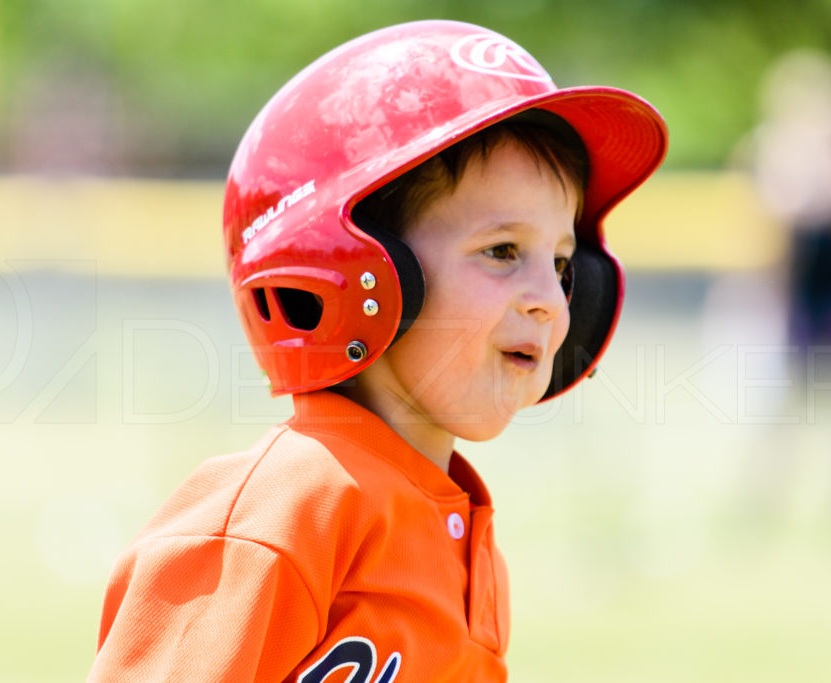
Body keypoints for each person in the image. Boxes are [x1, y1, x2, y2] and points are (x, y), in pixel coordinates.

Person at [88, 19, 666, 681]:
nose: (551, 299)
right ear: (357, 264)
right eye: (502, 251)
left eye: (562, 264)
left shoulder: (464, 536)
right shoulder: (279, 512)